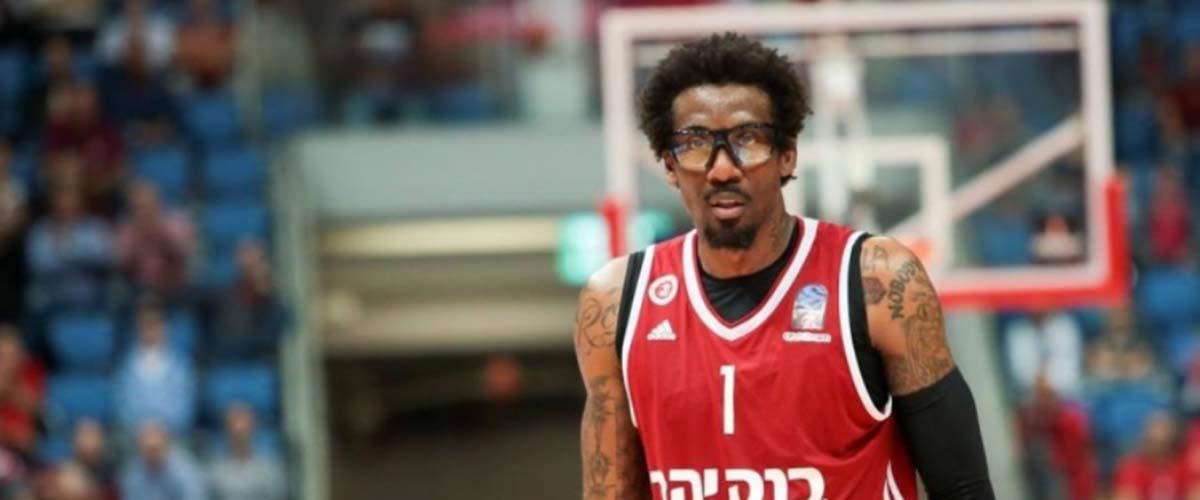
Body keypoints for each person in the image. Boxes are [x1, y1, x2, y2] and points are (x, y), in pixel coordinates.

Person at [573, 33, 992, 499]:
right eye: (694, 143)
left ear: (787, 155)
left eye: (747, 139)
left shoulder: (877, 280)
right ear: (669, 165)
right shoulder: (616, 302)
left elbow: (964, 491)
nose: (722, 169)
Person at [115, 301, 197, 434]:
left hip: (173, 436)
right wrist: (142, 430)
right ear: (138, 330)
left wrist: (163, 430)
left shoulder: (181, 366)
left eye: (155, 325)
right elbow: (122, 407)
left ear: (165, 328)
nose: (150, 331)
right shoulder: (126, 366)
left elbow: (185, 408)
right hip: (135, 437)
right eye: (146, 326)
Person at [115, 180, 196, 298]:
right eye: (138, 207)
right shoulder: (128, 229)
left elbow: (183, 253)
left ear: (157, 203)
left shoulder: (177, 222)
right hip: (138, 290)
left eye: (147, 206)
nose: (143, 212)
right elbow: (122, 263)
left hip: (175, 287)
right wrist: (138, 236)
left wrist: (159, 230)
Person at [206, 404, 285, 500]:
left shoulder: (269, 468)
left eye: (243, 433)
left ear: (254, 429)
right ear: (226, 432)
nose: (239, 438)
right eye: (234, 432)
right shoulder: (214, 470)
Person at [120, 422, 207, 500]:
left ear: (167, 445)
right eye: (146, 449)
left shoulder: (185, 471)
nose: (151, 455)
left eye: (155, 449)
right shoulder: (132, 474)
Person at [70, 419, 118, 500]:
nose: (88, 443)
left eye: (92, 436)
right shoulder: (65, 474)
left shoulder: (112, 475)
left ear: (102, 441)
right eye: (84, 436)